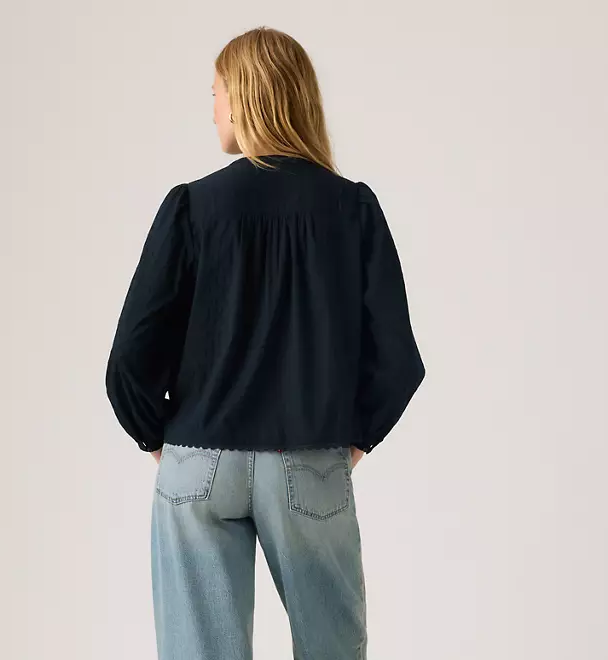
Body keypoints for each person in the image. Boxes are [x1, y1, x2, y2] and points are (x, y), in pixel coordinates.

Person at [105, 26, 425, 660]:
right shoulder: (351, 209)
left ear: (248, 97)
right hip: (308, 457)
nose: (212, 109)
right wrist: (350, 443)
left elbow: (130, 358)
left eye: (217, 92)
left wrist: (163, 443)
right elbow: (396, 359)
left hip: (198, 457)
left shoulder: (193, 207)